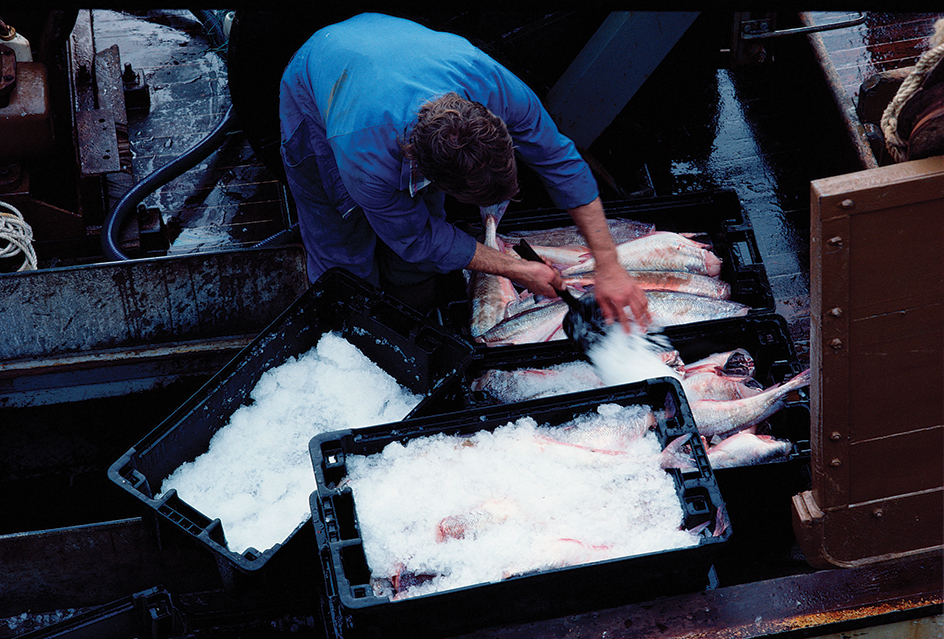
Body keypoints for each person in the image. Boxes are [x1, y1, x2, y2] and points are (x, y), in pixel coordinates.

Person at [279, 12, 650, 329]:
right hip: (320, 88)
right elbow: (417, 238)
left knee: (423, 240)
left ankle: (415, 313)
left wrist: (609, 264)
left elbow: (559, 161)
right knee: (343, 243)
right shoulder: (365, 153)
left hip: (395, 53)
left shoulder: (491, 84)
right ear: (429, 173)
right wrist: (515, 269)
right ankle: (352, 326)